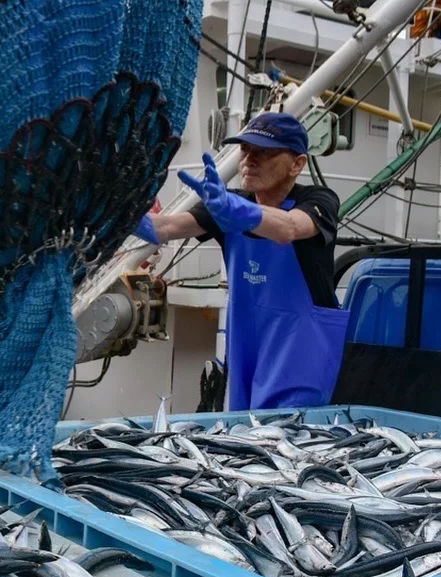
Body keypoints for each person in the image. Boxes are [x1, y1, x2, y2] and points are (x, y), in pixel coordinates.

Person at [135, 113, 349, 411]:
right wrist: (112, 214)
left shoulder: (319, 199)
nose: (250, 160)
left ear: (297, 164)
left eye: (265, 152)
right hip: (246, 346)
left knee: (287, 438)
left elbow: (289, 228)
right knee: (243, 436)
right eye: (245, 150)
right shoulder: (229, 204)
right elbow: (166, 228)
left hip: (300, 352)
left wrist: (239, 212)